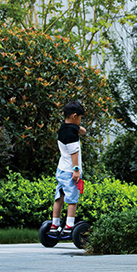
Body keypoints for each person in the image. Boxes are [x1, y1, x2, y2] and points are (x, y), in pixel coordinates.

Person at [49, 99, 87, 236]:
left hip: (61, 170)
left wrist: (79, 128)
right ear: (74, 116)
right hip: (71, 171)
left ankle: (54, 224)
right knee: (72, 199)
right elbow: (74, 154)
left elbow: (82, 131)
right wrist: (76, 171)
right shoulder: (72, 135)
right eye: (80, 118)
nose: (80, 121)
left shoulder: (63, 128)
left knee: (59, 197)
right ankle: (69, 226)